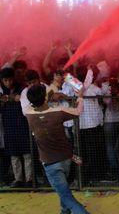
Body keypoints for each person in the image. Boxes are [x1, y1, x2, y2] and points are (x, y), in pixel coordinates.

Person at [24, 83, 89, 214]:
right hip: (66, 158)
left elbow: (35, 104)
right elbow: (78, 111)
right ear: (45, 98)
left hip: (50, 163)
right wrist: (80, 96)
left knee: (65, 195)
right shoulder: (58, 112)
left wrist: (46, 97)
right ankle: (64, 212)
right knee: (63, 190)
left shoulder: (28, 114)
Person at [0, 68, 33, 187]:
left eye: (9, 80)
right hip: (8, 126)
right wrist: (11, 98)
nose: (8, 83)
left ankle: (29, 180)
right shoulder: (1, 90)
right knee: (14, 155)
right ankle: (18, 179)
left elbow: (24, 102)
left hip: (22, 125)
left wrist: (7, 98)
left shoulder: (22, 88)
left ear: (13, 78)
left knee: (27, 154)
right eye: (5, 80)